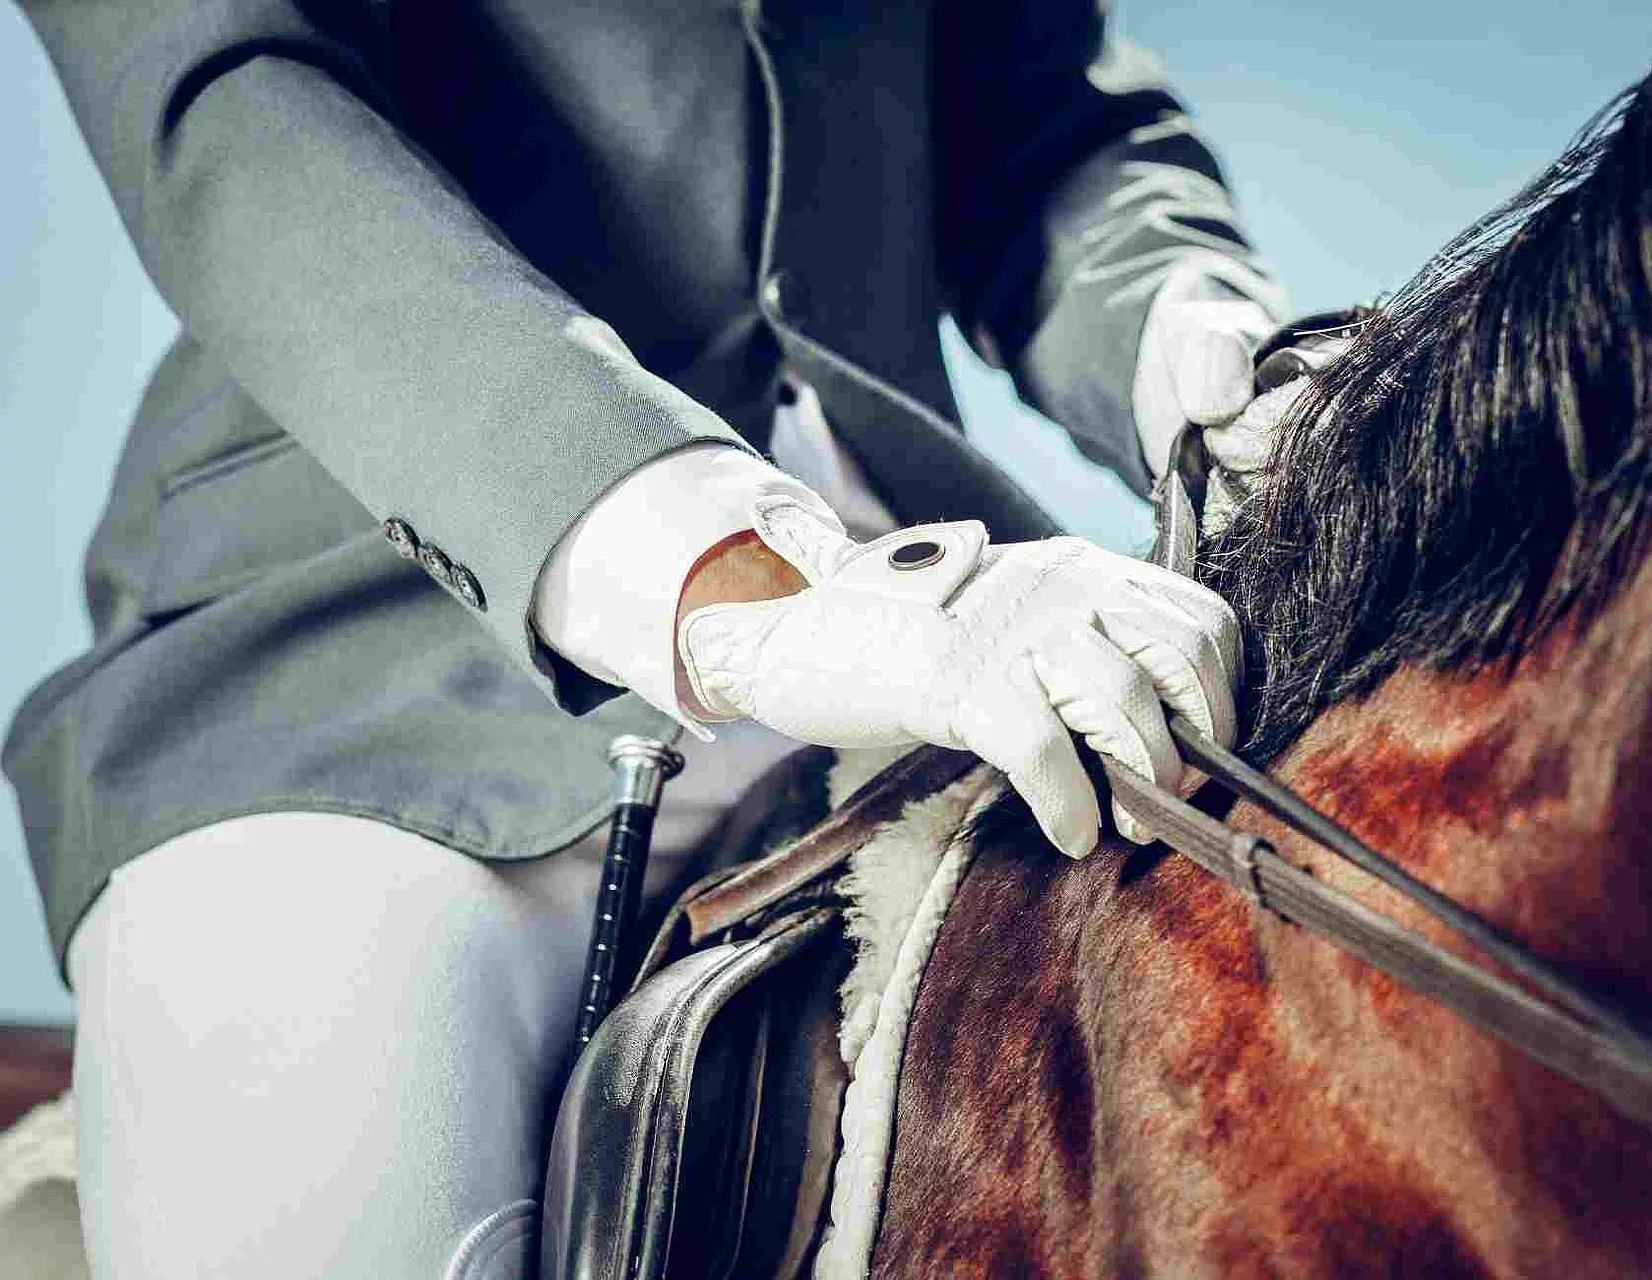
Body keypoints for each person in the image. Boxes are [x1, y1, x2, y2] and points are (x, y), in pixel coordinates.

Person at [6, 1, 1293, 1275]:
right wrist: (733, 579)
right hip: (366, 657)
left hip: (934, 619)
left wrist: (1204, 346)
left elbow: (1044, 128)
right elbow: (235, 112)